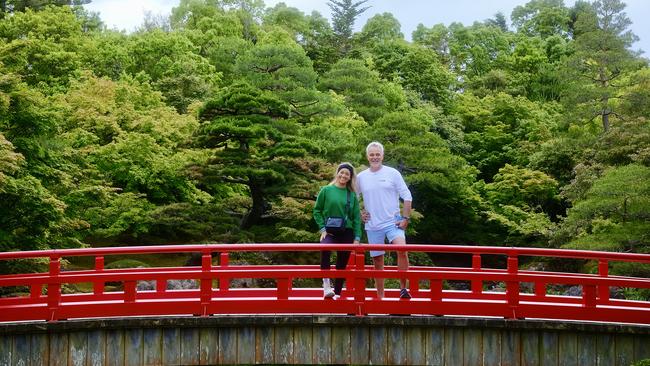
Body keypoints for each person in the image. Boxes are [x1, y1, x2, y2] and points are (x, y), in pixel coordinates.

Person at [357, 141, 413, 299]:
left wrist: (406, 217)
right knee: (378, 261)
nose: (375, 157)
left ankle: (403, 289)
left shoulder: (392, 173)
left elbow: (407, 195)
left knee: (402, 249)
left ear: (382, 155)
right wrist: (359, 213)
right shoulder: (361, 177)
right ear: (367, 156)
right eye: (372, 154)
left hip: (393, 221)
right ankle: (381, 296)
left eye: (377, 154)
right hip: (373, 224)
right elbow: (352, 198)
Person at [313, 163, 362, 298]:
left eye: (347, 174)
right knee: (325, 248)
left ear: (350, 177)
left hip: (347, 231)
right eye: (342, 172)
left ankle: (338, 292)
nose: (344, 175)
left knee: (342, 262)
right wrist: (322, 228)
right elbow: (317, 210)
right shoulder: (326, 190)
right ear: (337, 173)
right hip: (330, 230)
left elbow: (356, 217)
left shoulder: (351, 195)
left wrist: (357, 237)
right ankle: (327, 286)